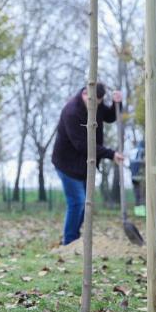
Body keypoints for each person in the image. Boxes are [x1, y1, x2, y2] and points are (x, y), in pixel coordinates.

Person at [51, 83, 124, 246]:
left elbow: (111, 116)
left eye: (98, 103)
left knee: (85, 205)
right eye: (93, 102)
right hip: (67, 165)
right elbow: (82, 145)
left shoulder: (95, 104)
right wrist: (111, 154)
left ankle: (75, 239)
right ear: (85, 93)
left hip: (83, 166)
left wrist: (117, 103)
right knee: (77, 202)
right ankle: (69, 242)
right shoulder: (72, 112)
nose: (95, 106)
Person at [130, 141, 146, 217]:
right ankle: (142, 213)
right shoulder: (142, 151)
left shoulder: (134, 152)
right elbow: (144, 162)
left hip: (133, 177)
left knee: (137, 195)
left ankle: (138, 213)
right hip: (141, 178)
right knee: (142, 195)